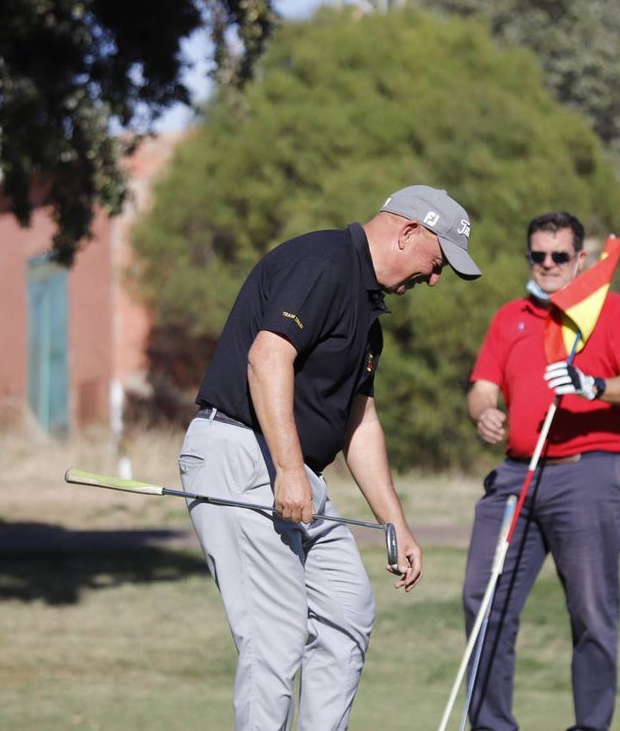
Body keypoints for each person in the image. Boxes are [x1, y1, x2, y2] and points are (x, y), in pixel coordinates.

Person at [179, 185, 482, 730]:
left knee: (347, 610)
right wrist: (290, 470)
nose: (433, 280)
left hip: (293, 473)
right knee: (274, 632)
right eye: (436, 264)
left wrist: (397, 526)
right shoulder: (323, 262)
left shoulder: (368, 314)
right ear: (408, 231)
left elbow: (359, 424)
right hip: (243, 456)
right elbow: (267, 356)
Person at [462, 211, 620, 731]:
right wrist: (484, 410)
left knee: (591, 612)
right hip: (516, 476)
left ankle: (590, 726)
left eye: (559, 256)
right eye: (538, 256)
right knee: (484, 601)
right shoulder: (511, 316)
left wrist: (595, 386)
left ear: (581, 259)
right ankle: (491, 725)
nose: (547, 265)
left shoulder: (608, 311)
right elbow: (483, 384)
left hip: (589, 473)